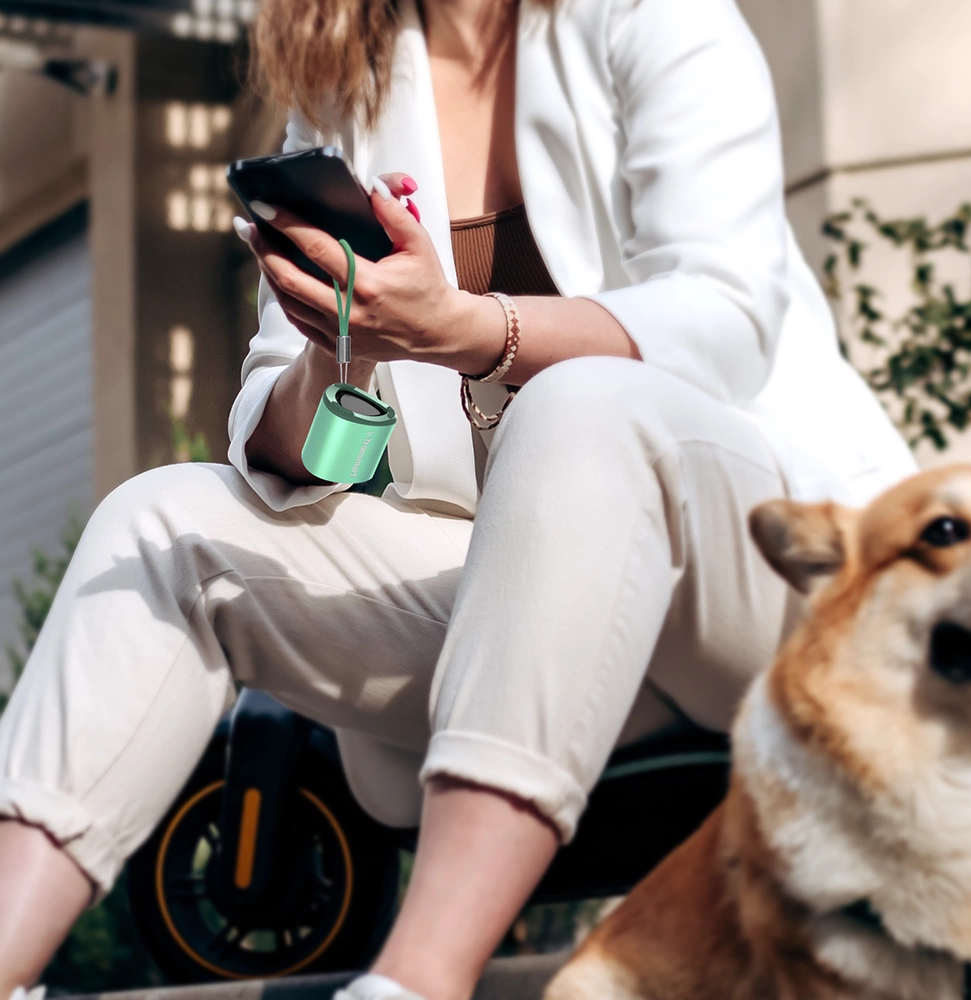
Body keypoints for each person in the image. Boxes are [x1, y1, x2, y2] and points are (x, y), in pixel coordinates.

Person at [0, 0, 917, 997]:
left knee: (579, 406)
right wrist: (332, 342)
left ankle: (413, 981)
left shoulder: (654, 16)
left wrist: (468, 328)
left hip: (752, 582)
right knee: (159, 521)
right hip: (530, 609)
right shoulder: (342, 79)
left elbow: (725, 319)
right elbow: (277, 437)